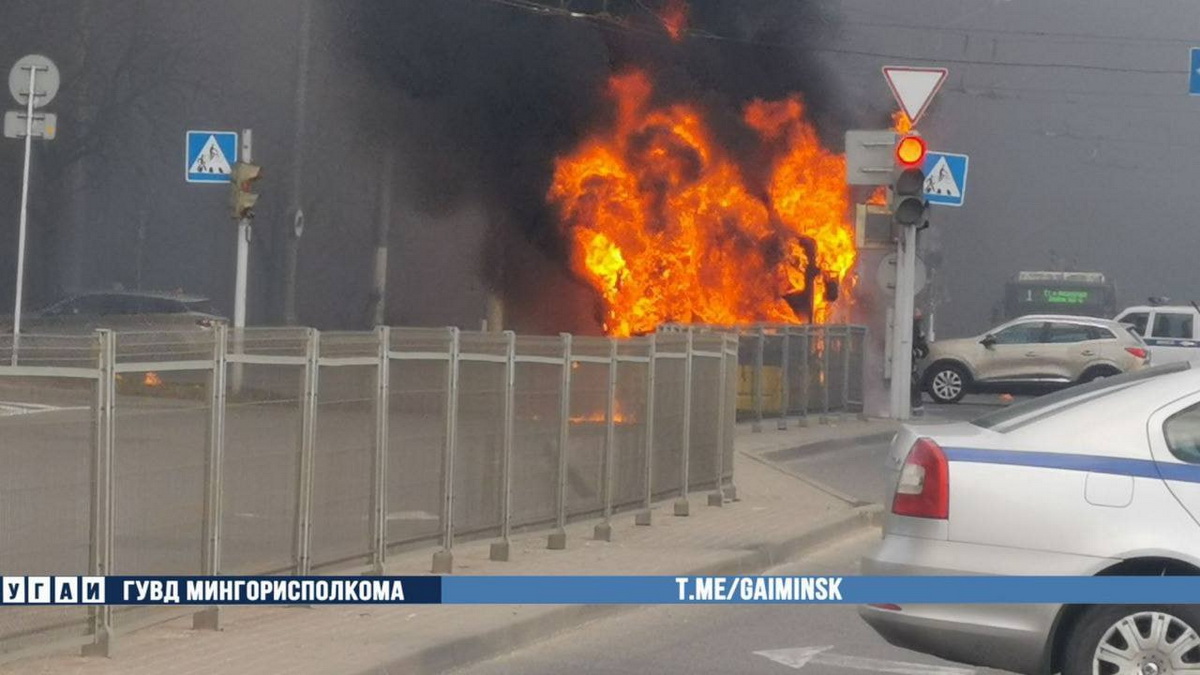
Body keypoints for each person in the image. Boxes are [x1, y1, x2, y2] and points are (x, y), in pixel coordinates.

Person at [912, 309, 929, 414]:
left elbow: (924, 350)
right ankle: (916, 407)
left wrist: (916, 353)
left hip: (910, 364)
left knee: (913, 382)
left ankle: (917, 408)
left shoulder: (917, 330)